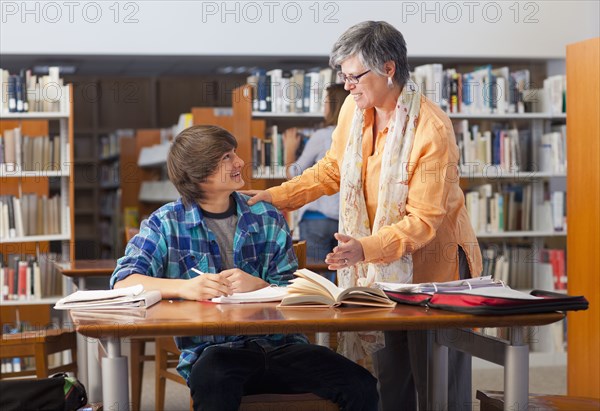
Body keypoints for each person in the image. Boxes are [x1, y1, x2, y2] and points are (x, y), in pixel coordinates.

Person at [246, 21, 483, 411]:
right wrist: (277, 197)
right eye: (343, 76)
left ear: (388, 69)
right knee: (390, 374)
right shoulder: (353, 112)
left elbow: (424, 219)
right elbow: (332, 170)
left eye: (354, 76)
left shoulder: (432, 129)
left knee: (438, 381)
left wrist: (364, 249)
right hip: (379, 268)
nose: (347, 85)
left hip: (434, 270)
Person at [109, 125, 378, 411]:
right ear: (199, 173)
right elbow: (123, 281)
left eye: (234, 153)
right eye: (226, 157)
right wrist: (185, 288)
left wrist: (263, 286)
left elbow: (297, 289)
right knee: (212, 382)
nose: (239, 162)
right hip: (215, 353)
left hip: (283, 347)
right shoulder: (165, 223)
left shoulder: (267, 216)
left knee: (361, 384)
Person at [283, 83, 349, 276]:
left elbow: (295, 174)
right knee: (345, 273)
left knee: (317, 277)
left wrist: (289, 149)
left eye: (326, 102)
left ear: (334, 105)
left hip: (317, 220)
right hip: (346, 220)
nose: (324, 107)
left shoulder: (323, 135)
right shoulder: (359, 134)